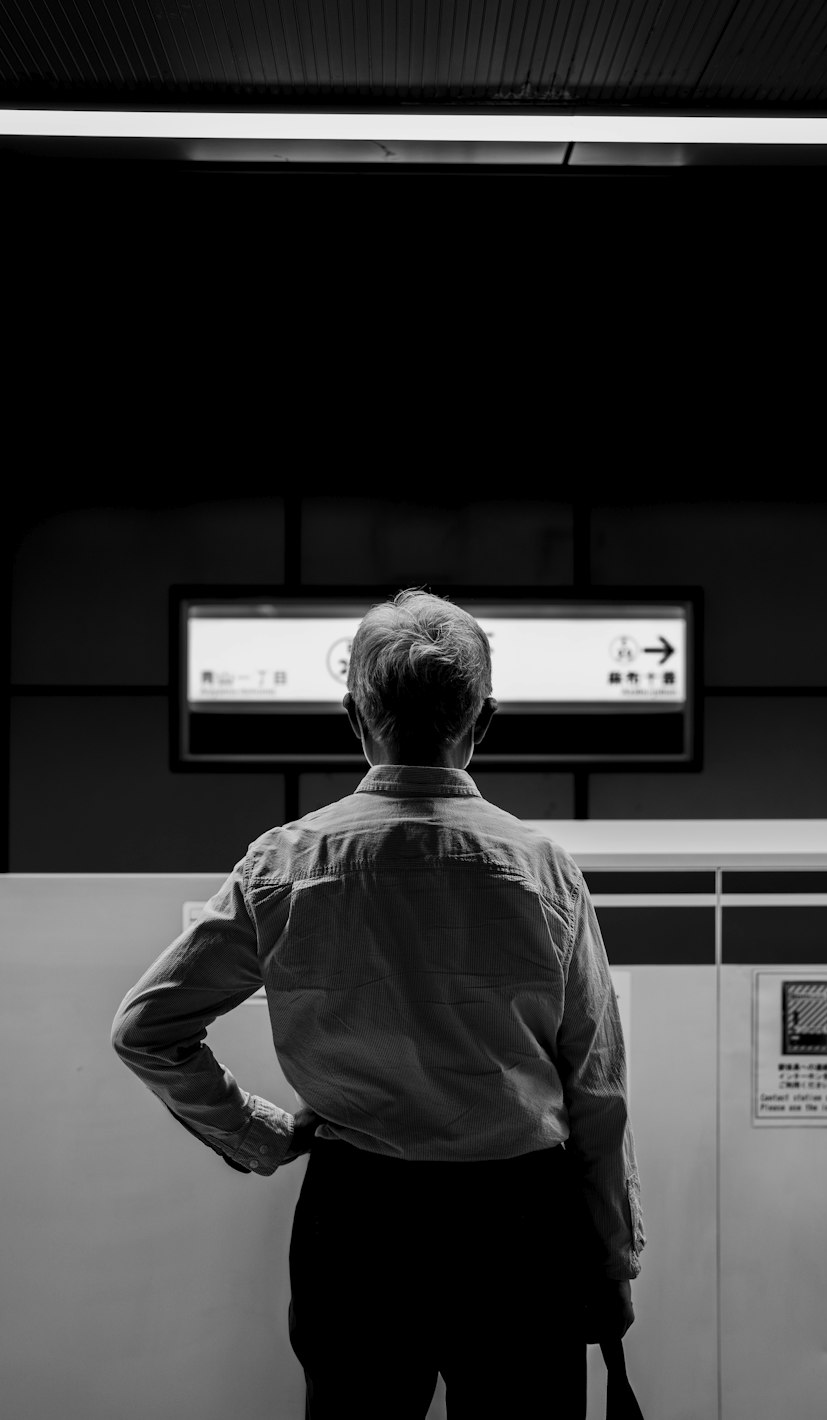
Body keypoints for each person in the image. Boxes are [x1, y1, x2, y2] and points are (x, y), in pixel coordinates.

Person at [111, 587, 646, 1418]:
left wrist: (260, 1134)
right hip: (519, 1225)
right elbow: (597, 1091)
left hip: (357, 1219)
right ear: (485, 721)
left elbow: (147, 1029)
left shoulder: (284, 864)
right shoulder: (546, 871)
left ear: (355, 718)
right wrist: (611, 1258)